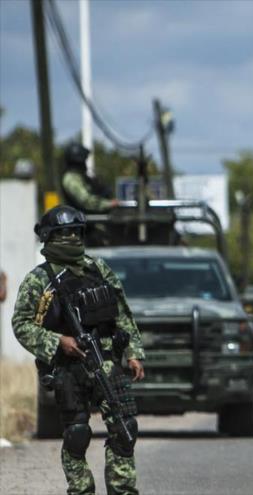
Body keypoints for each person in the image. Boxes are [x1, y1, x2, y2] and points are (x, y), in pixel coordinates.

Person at [11, 205, 145, 495]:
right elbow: (21, 324)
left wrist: (133, 352)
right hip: (67, 367)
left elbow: (122, 313)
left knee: (125, 427)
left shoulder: (98, 269)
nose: (72, 238)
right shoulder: (39, 279)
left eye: (76, 232)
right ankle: (81, 489)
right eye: (64, 233)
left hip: (106, 362)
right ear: (50, 237)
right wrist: (58, 341)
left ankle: (122, 489)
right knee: (77, 434)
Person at [61, 143, 120, 214]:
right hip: (85, 221)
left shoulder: (79, 177)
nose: (85, 164)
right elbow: (86, 201)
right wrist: (109, 204)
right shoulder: (71, 179)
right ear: (78, 162)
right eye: (83, 161)